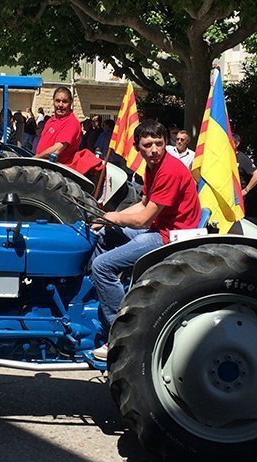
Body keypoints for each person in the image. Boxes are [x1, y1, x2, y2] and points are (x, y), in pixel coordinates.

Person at [89, 120, 202, 360]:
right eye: (148, 145)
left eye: (159, 144)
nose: (154, 150)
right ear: (137, 147)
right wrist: (105, 219)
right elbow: (142, 204)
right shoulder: (153, 166)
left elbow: (142, 220)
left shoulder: (169, 170)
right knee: (102, 236)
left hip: (169, 236)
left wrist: (116, 217)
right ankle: (104, 296)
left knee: (102, 266)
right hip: (158, 228)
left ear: (166, 143)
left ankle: (121, 332)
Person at [34, 87, 81, 164]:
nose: (60, 105)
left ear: (71, 103)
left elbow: (56, 150)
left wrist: (35, 158)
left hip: (56, 169)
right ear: (53, 101)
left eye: (64, 101)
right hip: (41, 163)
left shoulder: (72, 123)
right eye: (58, 101)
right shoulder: (50, 120)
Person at [232, 133, 257, 198]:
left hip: (237, 198)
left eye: (230, 142)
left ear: (237, 144)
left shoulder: (241, 158)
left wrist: (245, 190)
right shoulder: (225, 157)